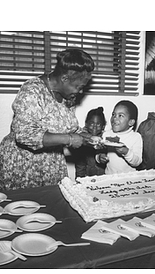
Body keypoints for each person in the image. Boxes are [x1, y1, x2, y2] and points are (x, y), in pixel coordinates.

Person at [0, 48, 95, 190]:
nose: (80, 91)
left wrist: (86, 137)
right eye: (79, 87)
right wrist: (69, 139)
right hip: (24, 166)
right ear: (64, 79)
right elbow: (25, 134)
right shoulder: (32, 91)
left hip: (52, 164)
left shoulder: (67, 96)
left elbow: (68, 127)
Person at [95, 100, 142, 174]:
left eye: (120, 116)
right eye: (113, 114)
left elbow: (137, 162)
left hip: (129, 179)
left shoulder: (136, 137)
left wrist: (126, 152)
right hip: (109, 177)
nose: (115, 118)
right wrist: (99, 157)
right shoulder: (106, 134)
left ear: (131, 122)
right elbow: (99, 152)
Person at [74, 107, 107, 178]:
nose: (94, 126)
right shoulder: (82, 140)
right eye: (92, 123)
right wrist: (79, 179)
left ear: (103, 126)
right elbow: (80, 164)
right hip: (87, 178)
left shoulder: (106, 139)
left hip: (103, 178)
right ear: (86, 124)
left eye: (98, 124)